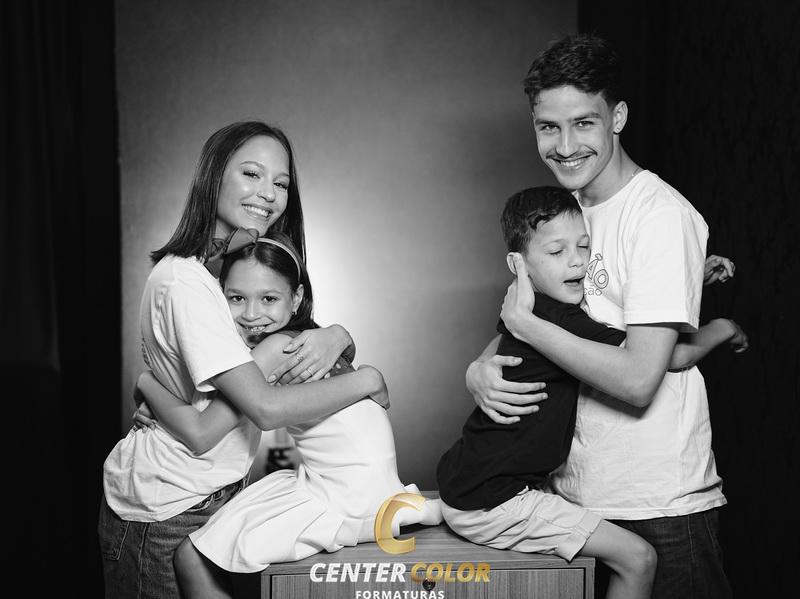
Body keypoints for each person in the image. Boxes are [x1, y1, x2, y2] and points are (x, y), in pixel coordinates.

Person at [466, 35, 738, 597]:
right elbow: (525, 318)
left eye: (583, 124)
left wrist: (528, 328)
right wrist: (478, 369)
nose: (565, 146)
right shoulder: (562, 214)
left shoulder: (659, 215)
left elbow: (639, 378)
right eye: (548, 127)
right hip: (570, 497)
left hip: (659, 506)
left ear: (617, 118)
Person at [99, 121, 386, 599]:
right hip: (167, 504)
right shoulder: (188, 283)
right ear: (213, 175)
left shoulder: (223, 275)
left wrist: (339, 336)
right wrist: (369, 378)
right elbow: (255, 411)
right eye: (252, 174)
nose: (268, 194)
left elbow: (288, 346)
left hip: (214, 493)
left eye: (281, 183)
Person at [438, 187, 746, 599]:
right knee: (639, 559)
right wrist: (724, 327)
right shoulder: (557, 319)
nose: (577, 261)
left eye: (584, 247)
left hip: (468, 480)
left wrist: (686, 277)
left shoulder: (531, 308)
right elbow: (669, 356)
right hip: (492, 497)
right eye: (557, 251)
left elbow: (637, 305)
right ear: (518, 264)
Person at [135, 231, 443, 599]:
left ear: (295, 298)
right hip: (363, 483)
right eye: (236, 298)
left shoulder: (275, 349)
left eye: (268, 298)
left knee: (191, 556)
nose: (252, 314)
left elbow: (202, 430)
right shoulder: (309, 341)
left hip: (345, 495)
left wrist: (147, 383)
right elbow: (210, 400)